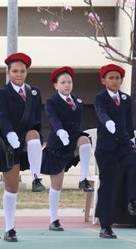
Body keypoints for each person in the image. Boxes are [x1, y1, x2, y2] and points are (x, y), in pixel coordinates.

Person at [0, 53, 44, 242]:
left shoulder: (34, 92)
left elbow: (37, 119)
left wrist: (32, 137)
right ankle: (9, 228)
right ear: (8, 72)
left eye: (22, 71)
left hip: (28, 140)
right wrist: (10, 134)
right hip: (8, 141)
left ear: (27, 72)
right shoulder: (2, 93)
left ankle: (37, 177)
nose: (19, 74)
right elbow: (2, 117)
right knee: (11, 187)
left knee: (34, 135)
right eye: (15, 71)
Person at [41, 66, 93, 231]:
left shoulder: (78, 101)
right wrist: (60, 131)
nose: (67, 85)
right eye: (63, 82)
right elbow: (53, 119)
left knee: (85, 141)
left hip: (73, 141)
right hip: (57, 145)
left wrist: (72, 136)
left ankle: (83, 178)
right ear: (56, 85)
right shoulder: (51, 102)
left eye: (69, 82)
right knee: (57, 185)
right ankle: (54, 219)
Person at [93, 64, 136, 239]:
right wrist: (107, 122)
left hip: (123, 144)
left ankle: (132, 200)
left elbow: (128, 122)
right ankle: (105, 225)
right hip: (106, 148)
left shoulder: (126, 99)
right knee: (108, 183)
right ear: (103, 80)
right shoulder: (100, 97)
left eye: (117, 78)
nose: (114, 81)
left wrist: (131, 138)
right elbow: (100, 112)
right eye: (111, 78)